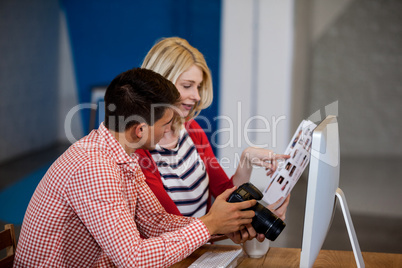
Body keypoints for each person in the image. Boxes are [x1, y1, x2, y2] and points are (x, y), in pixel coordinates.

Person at [14, 68, 258, 267]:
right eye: (166, 123)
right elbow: (134, 258)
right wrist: (209, 225)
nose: (169, 130)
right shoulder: (95, 168)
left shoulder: (122, 155)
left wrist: (222, 225)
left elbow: (155, 222)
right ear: (139, 130)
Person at [136, 37, 291, 244]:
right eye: (188, 85)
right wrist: (229, 227)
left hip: (199, 250)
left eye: (198, 87)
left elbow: (225, 193)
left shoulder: (192, 130)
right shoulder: (139, 150)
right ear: (159, 84)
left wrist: (247, 159)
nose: (196, 96)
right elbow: (168, 225)